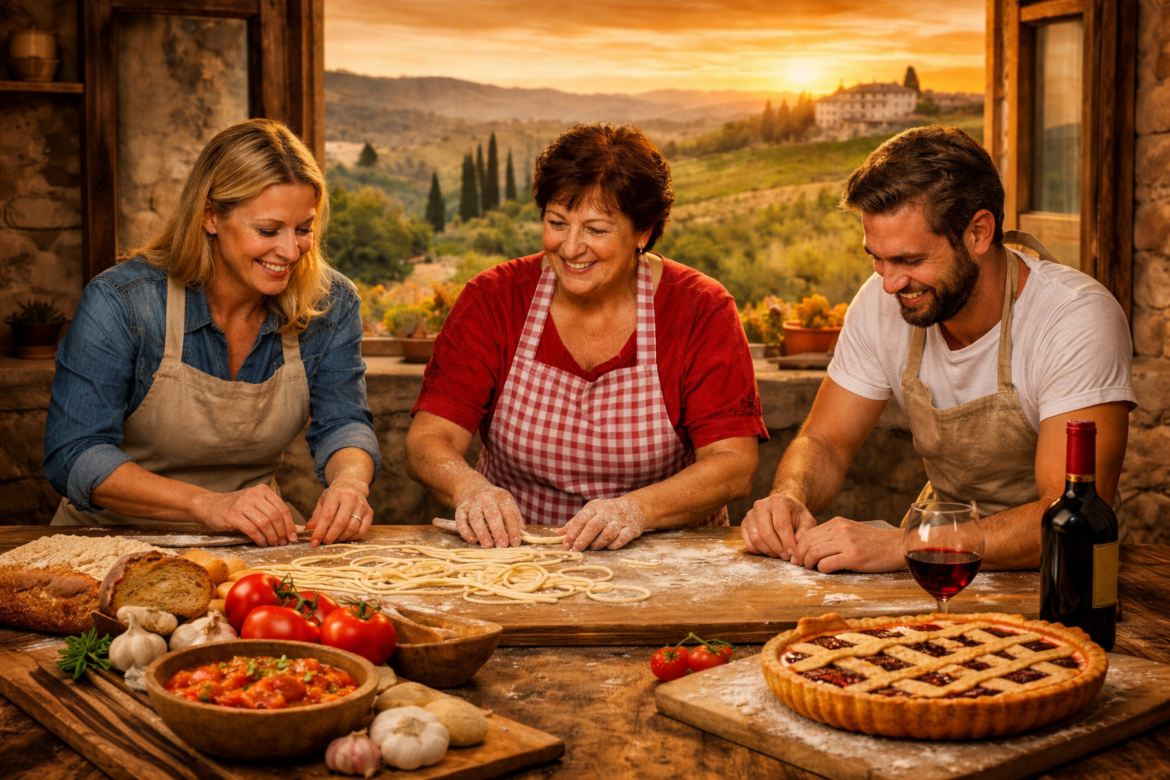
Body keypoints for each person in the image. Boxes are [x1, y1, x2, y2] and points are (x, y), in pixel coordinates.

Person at [741, 125, 1135, 572]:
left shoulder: (1074, 318)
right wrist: (789, 495)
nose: (889, 283)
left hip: (1065, 573)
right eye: (876, 257)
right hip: (935, 562)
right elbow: (826, 440)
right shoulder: (879, 301)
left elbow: (1067, 513)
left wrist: (902, 545)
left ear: (979, 233)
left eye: (910, 260)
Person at [406, 123, 766, 551]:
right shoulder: (494, 299)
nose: (571, 247)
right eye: (557, 223)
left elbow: (733, 464)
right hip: (516, 554)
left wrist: (635, 510)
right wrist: (469, 489)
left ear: (644, 231)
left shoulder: (700, 309)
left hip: (669, 556)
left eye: (596, 230)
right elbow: (428, 441)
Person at [43, 119, 380, 547]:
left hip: (248, 545)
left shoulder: (332, 302)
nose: (290, 251)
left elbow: (343, 422)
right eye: (267, 230)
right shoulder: (123, 302)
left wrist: (350, 484)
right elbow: (73, 453)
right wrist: (210, 506)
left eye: (304, 228)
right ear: (210, 216)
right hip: (107, 541)